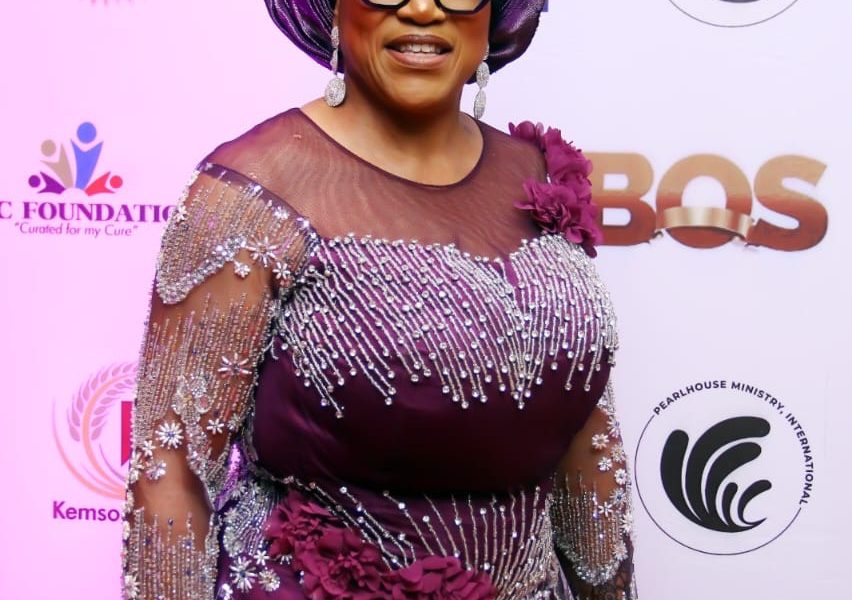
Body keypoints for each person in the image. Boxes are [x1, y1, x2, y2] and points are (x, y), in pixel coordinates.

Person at [121, 1, 638, 598]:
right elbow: (172, 475)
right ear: (330, 9)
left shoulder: (539, 177)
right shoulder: (251, 192)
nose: (422, 9)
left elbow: (587, 443)